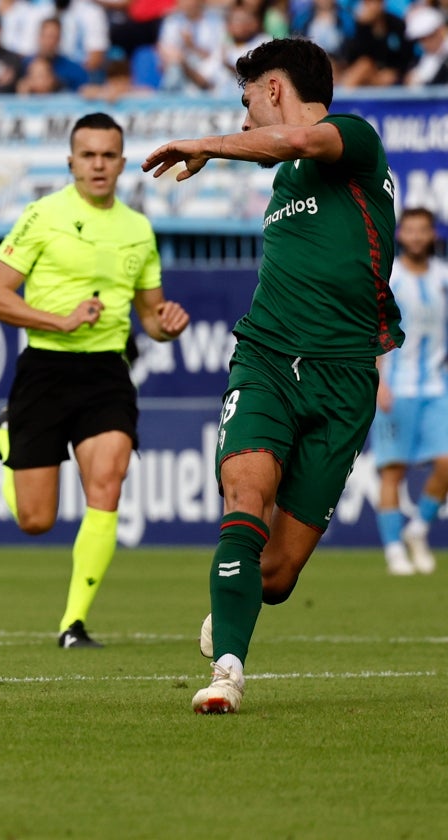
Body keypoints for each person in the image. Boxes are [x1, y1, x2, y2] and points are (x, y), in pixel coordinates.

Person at [142, 38, 403, 713]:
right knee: (244, 492)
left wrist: (210, 142)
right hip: (266, 360)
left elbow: (293, 141)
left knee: (278, 575)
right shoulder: (287, 182)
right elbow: (283, 150)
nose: (246, 113)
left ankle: (235, 606)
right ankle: (228, 671)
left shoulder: (351, 140)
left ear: (277, 90)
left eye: (248, 99)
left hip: (345, 378)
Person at [0, 112, 190, 650]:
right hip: (45, 369)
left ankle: (73, 624)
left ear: (122, 162)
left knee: (107, 483)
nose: (98, 164)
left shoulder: (138, 228)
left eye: (108, 155)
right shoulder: (42, 216)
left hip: (107, 373)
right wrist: (61, 320)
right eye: (88, 155)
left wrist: (165, 327)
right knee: (35, 520)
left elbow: (150, 314)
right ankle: (4, 437)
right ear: (71, 161)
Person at [371, 207, 448, 576]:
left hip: (437, 386)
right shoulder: (391, 277)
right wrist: (379, 381)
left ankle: (417, 530)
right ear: (400, 235)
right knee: (393, 471)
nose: (417, 237)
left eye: (424, 230)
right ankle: (393, 550)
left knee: (446, 464)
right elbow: (373, 328)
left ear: (433, 235)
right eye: (411, 230)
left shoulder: (443, 277)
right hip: (396, 388)